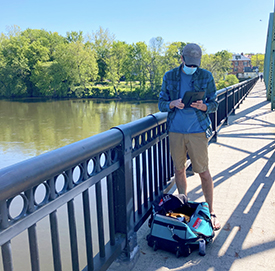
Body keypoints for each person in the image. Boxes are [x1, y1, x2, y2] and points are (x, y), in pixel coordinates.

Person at [158, 43, 221, 231]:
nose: (192, 68)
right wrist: (172, 103)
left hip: (198, 131)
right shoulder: (169, 76)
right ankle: (183, 207)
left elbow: (215, 103)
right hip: (176, 131)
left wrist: (204, 106)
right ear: (182, 59)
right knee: (179, 170)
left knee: (203, 172)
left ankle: (211, 212)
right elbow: (161, 103)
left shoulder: (206, 76)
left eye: (195, 64)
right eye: (189, 63)